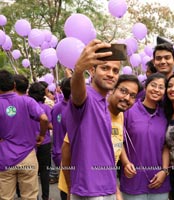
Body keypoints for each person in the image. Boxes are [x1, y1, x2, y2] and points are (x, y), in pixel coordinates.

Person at [59, 74, 142, 200]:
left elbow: (116, 142)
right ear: (112, 89)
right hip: (81, 187)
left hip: (104, 184)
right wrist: (71, 187)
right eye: (123, 91)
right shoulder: (93, 110)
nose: (127, 98)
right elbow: (66, 149)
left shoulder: (120, 114)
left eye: (133, 96)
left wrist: (125, 162)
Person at [61, 39, 121, 200]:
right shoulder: (86, 98)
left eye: (115, 71)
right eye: (105, 68)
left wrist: (115, 189)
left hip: (107, 187)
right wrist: (78, 71)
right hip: (89, 190)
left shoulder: (104, 102)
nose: (110, 74)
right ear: (92, 71)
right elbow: (78, 94)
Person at [120, 73, 170, 200]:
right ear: (145, 86)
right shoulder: (129, 110)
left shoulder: (165, 114)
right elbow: (119, 141)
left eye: (161, 87)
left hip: (159, 181)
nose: (156, 90)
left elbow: (165, 146)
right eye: (153, 85)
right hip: (133, 180)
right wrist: (125, 163)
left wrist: (164, 171)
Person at [0, 70, 48, 200]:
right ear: (14, 85)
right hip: (27, 156)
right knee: (30, 197)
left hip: (4, 159)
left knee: (5, 197)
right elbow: (44, 119)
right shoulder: (28, 101)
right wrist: (42, 136)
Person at [28, 82, 53, 200]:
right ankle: (45, 197)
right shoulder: (46, 108)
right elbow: (50, 125)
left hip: (29, 143)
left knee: (31, 173)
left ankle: (34, 197)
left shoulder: (26, 106)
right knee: (44, 172)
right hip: (45, 142)